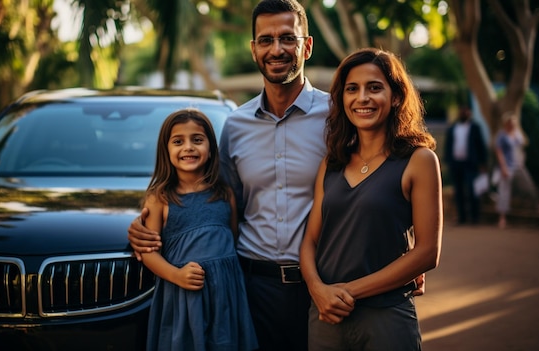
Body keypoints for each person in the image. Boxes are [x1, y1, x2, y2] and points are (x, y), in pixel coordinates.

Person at [128, 1, 423, 349]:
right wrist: (147, 226)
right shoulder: (235, 125)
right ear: (253, 49)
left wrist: (405, 248)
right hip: (253, 290)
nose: (277, 49)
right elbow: (214, 198)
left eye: (287, 38)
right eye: (266, 40)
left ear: (307, 46)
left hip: (326, 286)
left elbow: (378, 175)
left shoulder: (339, 116)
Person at [299, 48, 443, 350]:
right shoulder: (332, 163)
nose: (362, 98)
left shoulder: (419, 160)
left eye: (374, 87)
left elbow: (427, 252)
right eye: (352, 89)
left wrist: (347, 291)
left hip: (386, 317)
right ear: (342, 99)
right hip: (326, 317)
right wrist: (318, 290)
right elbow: (311, 240)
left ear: (395, 97)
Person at [139, 108, 257, 350]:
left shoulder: (224, 193)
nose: (188, 147)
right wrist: (177, 275)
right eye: (178, 141)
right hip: (185, 296)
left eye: (197, 140)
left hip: (225, 294)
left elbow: (231, 238)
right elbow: (148, 252)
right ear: (166, 150)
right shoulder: (159, 198)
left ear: (211, 148)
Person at [443, 105, 488, 224]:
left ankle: (475, 218)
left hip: (471, 164)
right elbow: (448, 145)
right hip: (456, 164)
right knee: (458, 191)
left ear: (470, 113)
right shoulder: (453, 128)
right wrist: (447, 161)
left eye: (466, 111)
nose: (463, 112)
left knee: (473, 191)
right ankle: (462, 217)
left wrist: (483, 163)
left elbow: (480, 146)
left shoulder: (475, 128)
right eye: (461, 110)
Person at [494, 112, 531, 229]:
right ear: (506, 124)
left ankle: (529, 212)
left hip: (519, 166)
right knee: (504, 192)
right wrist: (503, 167)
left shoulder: (518, 134)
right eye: (510, 123)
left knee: (528, 187)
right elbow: (499, 152)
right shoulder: (502, 135)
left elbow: (523, 146)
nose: (512, 125)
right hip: (507, 167)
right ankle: (502, 218)